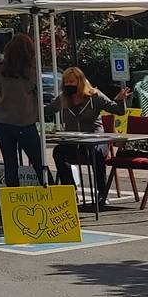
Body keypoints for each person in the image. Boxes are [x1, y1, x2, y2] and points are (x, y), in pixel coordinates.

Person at [48, 66, 127, 204]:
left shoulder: (95, 96)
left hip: (96, 140)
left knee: (96, 152)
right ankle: (70, 191)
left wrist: (120, 99)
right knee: (58, 152)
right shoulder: (63, 98)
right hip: (74, 141)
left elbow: (118, 110)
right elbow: (46, 111)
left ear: (80, 82)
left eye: (72, 81)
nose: (68, 85)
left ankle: (102, 193)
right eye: (66, 82)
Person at [0, 32, 44, 188]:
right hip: (24, 121)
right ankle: (50, 194)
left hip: (1, 120)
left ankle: (13, 199)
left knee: (10, 163)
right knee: (38, 162)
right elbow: (36, 89)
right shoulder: (30, 71)